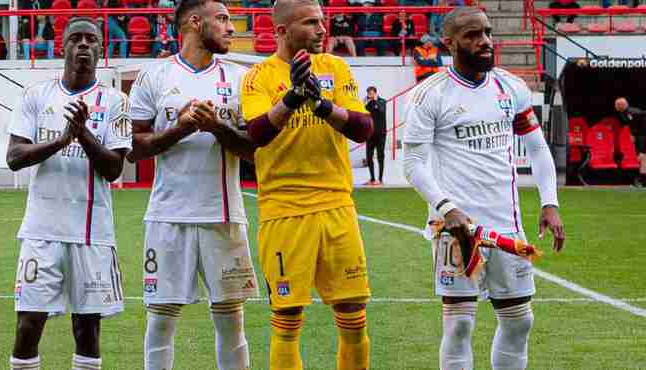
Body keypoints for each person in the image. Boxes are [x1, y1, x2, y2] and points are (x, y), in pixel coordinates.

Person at [399, 8, 565, 370]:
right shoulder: (430, 95)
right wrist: (446, 207)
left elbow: (537, 147)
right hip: (455, 231)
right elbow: (412, 164)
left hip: (507, 226)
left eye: (488, 32)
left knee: (520, 321)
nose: (485, 41)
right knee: (459, 324)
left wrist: (549, 202)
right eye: (473, 35)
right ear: (450, 42)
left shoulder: (510, 87)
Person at [241, 0, 379, 368]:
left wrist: (319, 104)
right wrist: (293, 97)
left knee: (353, 312)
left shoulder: (335, 66)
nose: (322, 29)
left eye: (323, 21)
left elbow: (363, 128)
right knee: (287, 318)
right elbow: (257, 133)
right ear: (283, 30)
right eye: (311, 23)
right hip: (284, 209)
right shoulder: (258, 76)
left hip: (337, 205)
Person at [123, 0, 258, 368]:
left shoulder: (241, 78)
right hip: (168, 217)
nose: (232, 28)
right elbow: (133, 150)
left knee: (232, 320)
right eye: (223, 19)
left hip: (226, 217)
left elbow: (255, 153)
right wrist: (181, 128)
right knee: (162, 318)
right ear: (195, 23)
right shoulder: (154, 76)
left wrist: (216, 127)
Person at [3, 18, 132, 370]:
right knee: (28, 325)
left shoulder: (116, 100)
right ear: (63, 47)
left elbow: (113, 169)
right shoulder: (36, 96)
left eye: (91, 40)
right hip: (40, 233)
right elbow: (14, 158)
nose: (83, 46)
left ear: (101, 50)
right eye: (76, 39)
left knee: (87, 328)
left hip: (92, 235)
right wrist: (61, 140)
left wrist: (84, 135)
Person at [618, 97, 646, 186]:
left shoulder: (633, 112)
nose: (615, 106)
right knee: (641, 158)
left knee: (643, 157)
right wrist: (632, 134)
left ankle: (642, 180)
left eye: (616, 104)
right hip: (639, 136)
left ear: (621, 105)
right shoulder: (623, 113)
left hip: (643, 135)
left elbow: (643, 124)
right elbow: (631, 124)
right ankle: (642, 180)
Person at [365, 86, 388, 185]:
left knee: (380, 156)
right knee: (369, 157)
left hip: (381, 134)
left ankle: (380, 179)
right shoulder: (368, 103)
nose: (369, 95)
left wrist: (375, 101)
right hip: (370, 134)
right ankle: (372, 178)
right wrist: (367, 102)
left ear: (375, 93)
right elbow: (363, 111)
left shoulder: (382, 101)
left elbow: (381, 111)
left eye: (371, 93)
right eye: (368, 93)